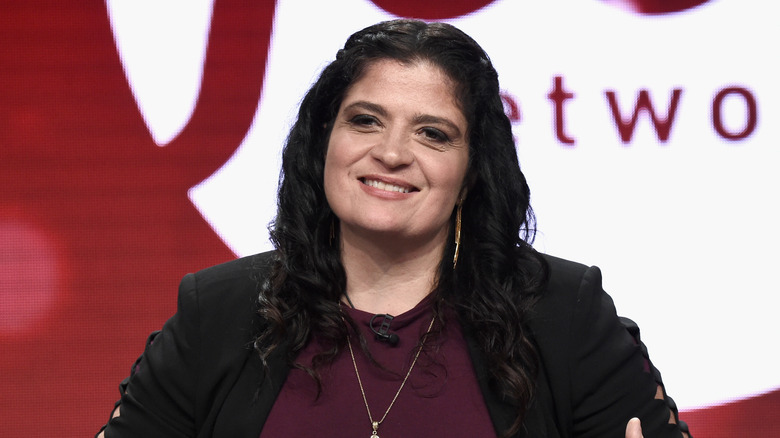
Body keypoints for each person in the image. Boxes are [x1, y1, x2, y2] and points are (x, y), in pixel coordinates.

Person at [97, 19, 690, 437]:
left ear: (471, 172)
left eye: (433, 133)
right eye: (365, 121)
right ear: (324, 141)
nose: (391, 153)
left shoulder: (564, 314)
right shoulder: (218, 312)